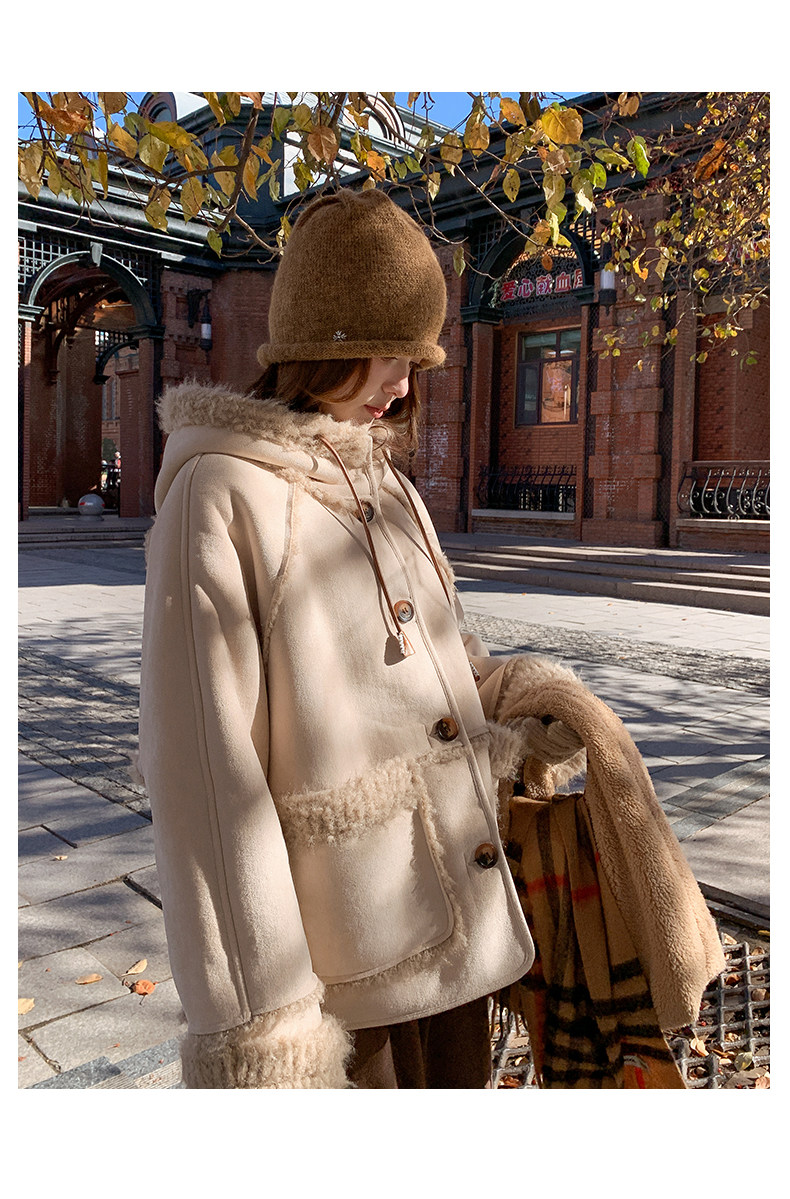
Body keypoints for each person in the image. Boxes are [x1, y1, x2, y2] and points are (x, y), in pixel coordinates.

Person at [138, 188, 584, 1089]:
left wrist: (521, 713)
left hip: (459, 935)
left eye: (418, 359)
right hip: (347, 981)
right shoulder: (219, 496)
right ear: (326, 341)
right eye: (393, 354)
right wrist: (262, 1024)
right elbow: (207, 783)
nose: (406, 385)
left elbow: (439, 663)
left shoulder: (389, 486)